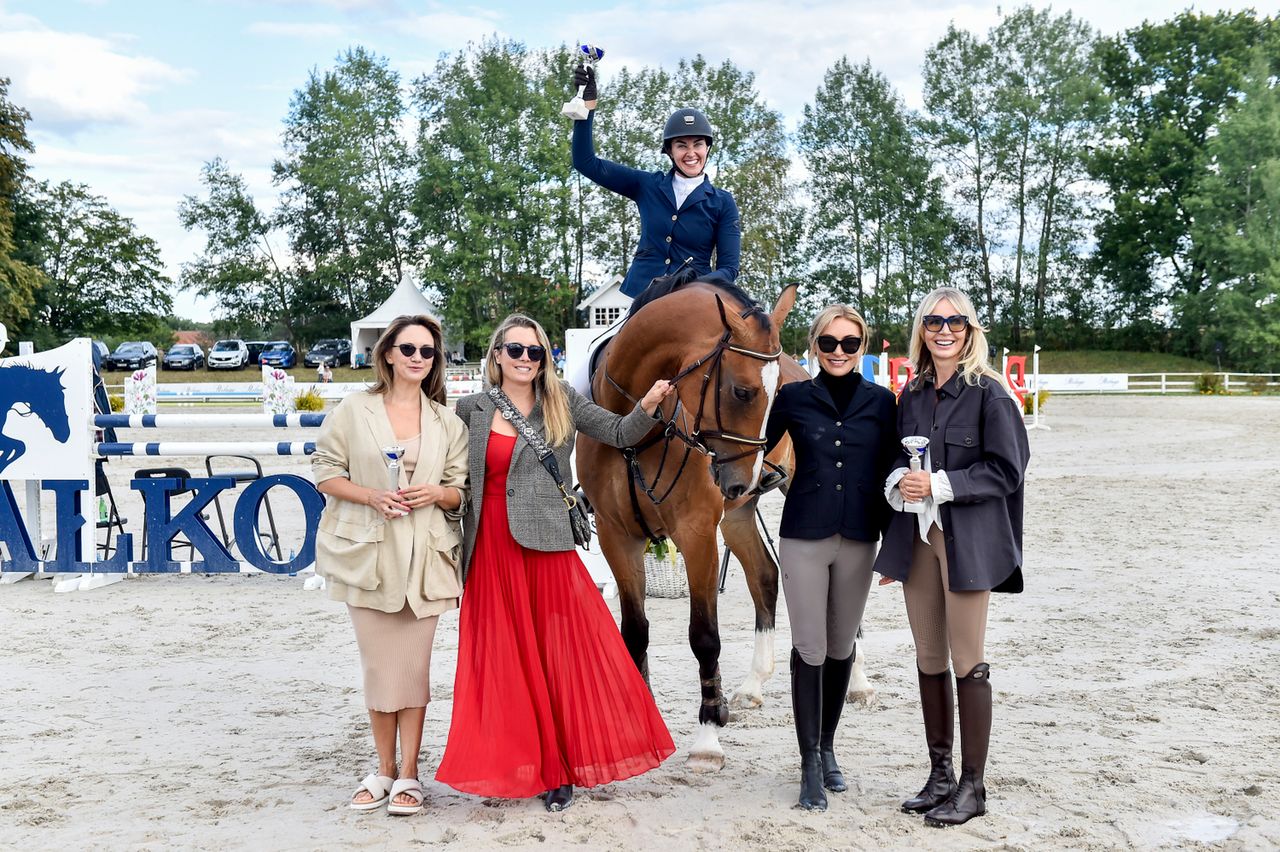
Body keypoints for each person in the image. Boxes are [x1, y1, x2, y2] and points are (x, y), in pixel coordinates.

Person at [436, 314, 676, 812]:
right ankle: (520, 762)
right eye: (516, 350)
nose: (526, 359)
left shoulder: (562, 400)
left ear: (546, 358)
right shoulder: (470, 408)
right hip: (490, 546)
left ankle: (560, 769)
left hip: (547, 544)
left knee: (558, 654)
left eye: (535, 352)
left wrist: (649, 406)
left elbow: (618, 432)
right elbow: (451, 472)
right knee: (507, 658)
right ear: (497, 354)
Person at [873, 287, 1030, 827]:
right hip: (917, 540)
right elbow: (899, 451)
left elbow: (1008, 470)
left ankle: (973, 786)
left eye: (955, 321)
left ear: (970, 329)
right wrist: (900, 478)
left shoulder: (991, 395)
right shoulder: (912, 394)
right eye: (934, 322)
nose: (945, 330)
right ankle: (939, 775)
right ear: (922, 330)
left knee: (968, 659)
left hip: (967, 543)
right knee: (928, 658)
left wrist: (941, 483)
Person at [311, 314, 469, 816]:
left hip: (426, 560)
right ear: (387, 354)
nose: (418, 358)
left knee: (414, 670)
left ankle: (409, 775)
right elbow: (324, 471)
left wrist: (437, 493)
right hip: (367, 558)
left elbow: (461, 490)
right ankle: (381, 770)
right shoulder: (354, 410)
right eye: (408, 349)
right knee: (380, 668)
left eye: (427, 351)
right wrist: (372, 496)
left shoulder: (449, 422)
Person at [763, 305, 899, 811]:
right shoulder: (794, 398)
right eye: (829, 343)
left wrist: (898, 547)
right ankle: (809, 765)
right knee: (810, 647)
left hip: (861, 537)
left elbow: (896, 470)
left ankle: (828, 745)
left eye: (849, 343)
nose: (838, 352)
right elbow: (754, 446)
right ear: (814, 345)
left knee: (842, 647)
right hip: (804, 534)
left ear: (862, 347)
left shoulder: (884, 402)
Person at [566, 64, 741, 393]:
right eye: (682, 146)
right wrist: (587, 109)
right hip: (638, 301)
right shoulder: (647, 185)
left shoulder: (722, 202)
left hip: (693, 306)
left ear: (707, 148)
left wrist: (695, 287)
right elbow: (585, 162)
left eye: (697, 145)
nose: (691, 153)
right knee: (580, 383)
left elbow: (730, 268)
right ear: (670, 151)